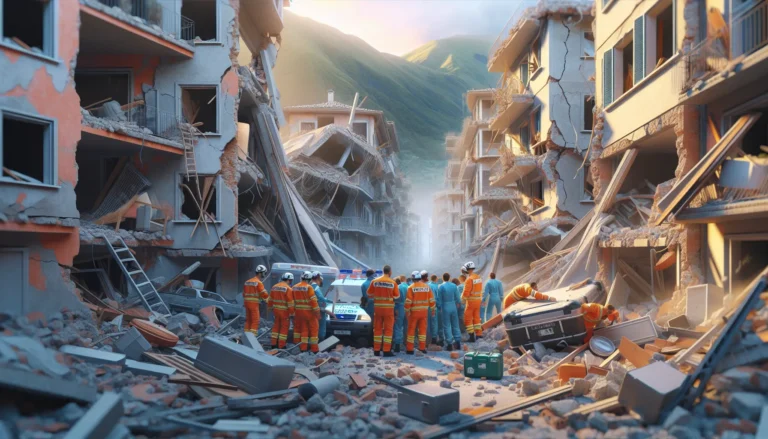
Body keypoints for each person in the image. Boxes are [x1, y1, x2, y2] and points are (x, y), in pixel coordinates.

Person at [367, 265, 400, 357]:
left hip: (378, 309)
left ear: (383, 271)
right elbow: (397, 296)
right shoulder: (393, 282)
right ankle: (386, 350)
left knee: (377, 329)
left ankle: (376, 350)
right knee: (388, 330)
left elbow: (369, 293)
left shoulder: (374, 281)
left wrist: (377, 295)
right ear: (390, 272)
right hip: (388, 309)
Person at [405, 270, 436, 354]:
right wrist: (433, 309)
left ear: (412, 278)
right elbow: (431, 299)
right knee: (422, 330)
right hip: (424, 312)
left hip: (414, 312)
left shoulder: (411, 287)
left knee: (411, 330)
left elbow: (408, 301)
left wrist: (407, 311)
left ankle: (410, 349)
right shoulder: (426, 287)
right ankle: (422, 348)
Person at [292, 271, 321, 353]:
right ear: (310, 279)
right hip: (309, 313)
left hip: (298, 313)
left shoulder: (294, 287)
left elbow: (291, 300)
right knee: (314, 329)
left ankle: (303, 348)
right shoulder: (309, 287)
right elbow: (313, 301)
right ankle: (314, 349)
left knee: (304, 330)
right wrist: (317, 313)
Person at [267, 272, 294, 349]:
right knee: (284, 328)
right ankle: (281, 345)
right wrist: (292, 313)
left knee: (276, 327)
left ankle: (273, 343)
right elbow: (290, 303)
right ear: (289, 280)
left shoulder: (274, 287)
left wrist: (269, 308)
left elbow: (270, 299)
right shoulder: (288, 289)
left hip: (276, 311)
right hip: (284, 312)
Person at [438, 273, 462, 351]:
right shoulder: (454, 286)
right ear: (449, 277)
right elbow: (457, 296)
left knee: (447, 325)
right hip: (453, 305)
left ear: (443, 278)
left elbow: (439, 299)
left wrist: (439, 307)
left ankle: (449, 344)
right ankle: (458, 342)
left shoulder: (441, 286)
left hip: (445, 306)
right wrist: (458, 302)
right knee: (455, 324)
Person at [243, 265, 269, 335]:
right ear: (260, 273)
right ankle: (252, 337)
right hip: (253, 304)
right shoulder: (259, 283)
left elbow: (244, 294)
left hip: (246, 303)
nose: (264, 275)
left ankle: (246, 335)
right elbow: (264, 294)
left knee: (248, 320)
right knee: (255, 320)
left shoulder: (247, 282)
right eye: (264, 273)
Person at [461, 261, 483, 342]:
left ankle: (471, 336)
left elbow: (466, 292)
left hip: (471, 302)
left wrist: (462, 299)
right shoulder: (478, 277)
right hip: (478, 300)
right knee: (476, 318)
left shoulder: (469, 279)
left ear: (467, 269)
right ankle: (479, 334)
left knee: (468, 318)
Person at [393, 275, 409, 353]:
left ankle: (397, 345)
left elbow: (395, 299)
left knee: (398, 327)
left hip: (399, 307)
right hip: (408, 308)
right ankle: (407, 344)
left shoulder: (398, 287)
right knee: (407, 326)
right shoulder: (409, 287)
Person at [311, 271, 328, 341]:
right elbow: (321, 298)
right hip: (318, 311)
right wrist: (328, 300)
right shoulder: (316, 287)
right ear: (318, 279)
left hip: (310, 310)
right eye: (320, 280)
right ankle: (320, 342)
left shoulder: (309, 286)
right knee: (320, 327)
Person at [427, 274, 441, 346]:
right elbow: (437, 298)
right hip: (433, 306)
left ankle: (427, 340)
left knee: (427, 323)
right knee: (434, 323)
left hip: (426, 306)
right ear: (435, 279)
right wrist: (439, 306)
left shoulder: (427, 285)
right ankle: (434, 339)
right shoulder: (436, 287)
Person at [457, 269, 467, 333]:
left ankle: (462, 329)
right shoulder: (467, 285)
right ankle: (467, 328)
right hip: (467, 302)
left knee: (460, 316)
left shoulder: (459, 287)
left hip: (461, 302)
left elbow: (457, 295)